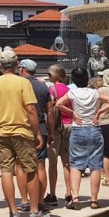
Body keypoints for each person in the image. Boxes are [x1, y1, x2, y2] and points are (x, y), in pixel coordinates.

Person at [0, 51, 48, 217]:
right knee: (30, 170)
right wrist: (37, 132)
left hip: (2, 131)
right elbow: (31, 109)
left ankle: (13, 212)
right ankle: (34, 211)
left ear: (1, 65)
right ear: (16, 65)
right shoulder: (23, 82)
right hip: (22, 130)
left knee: (7, 171)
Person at [56, 68, 109, 210]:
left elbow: (58, 104)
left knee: (76, 164)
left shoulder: (72, 93)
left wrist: (72, 113)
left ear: (74, 80)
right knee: (95, 165)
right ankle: (94, 200)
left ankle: (75, 197)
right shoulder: (95, 92)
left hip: (79, 128)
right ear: (87, 79)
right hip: (94, 128)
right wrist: (99, 111)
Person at [17, 59, 53, 217]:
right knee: (40, 166)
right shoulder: (42, 86)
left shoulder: (17, 85)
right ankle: (40, 201)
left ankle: (24, 200)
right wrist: (51, 131)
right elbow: (50, 111)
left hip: (21, 127)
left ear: (23, 69)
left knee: (21, 166)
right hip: (41, 127)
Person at [45, 65, 72, 205]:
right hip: (69, 125)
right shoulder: (69, 90)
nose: (48, 77)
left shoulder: (52, 90)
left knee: (53, 162)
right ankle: (69, 192)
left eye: (49, 75)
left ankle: (53, 194)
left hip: (56, 127)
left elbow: (50, 110)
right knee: (67, 162)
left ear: (55, 76)